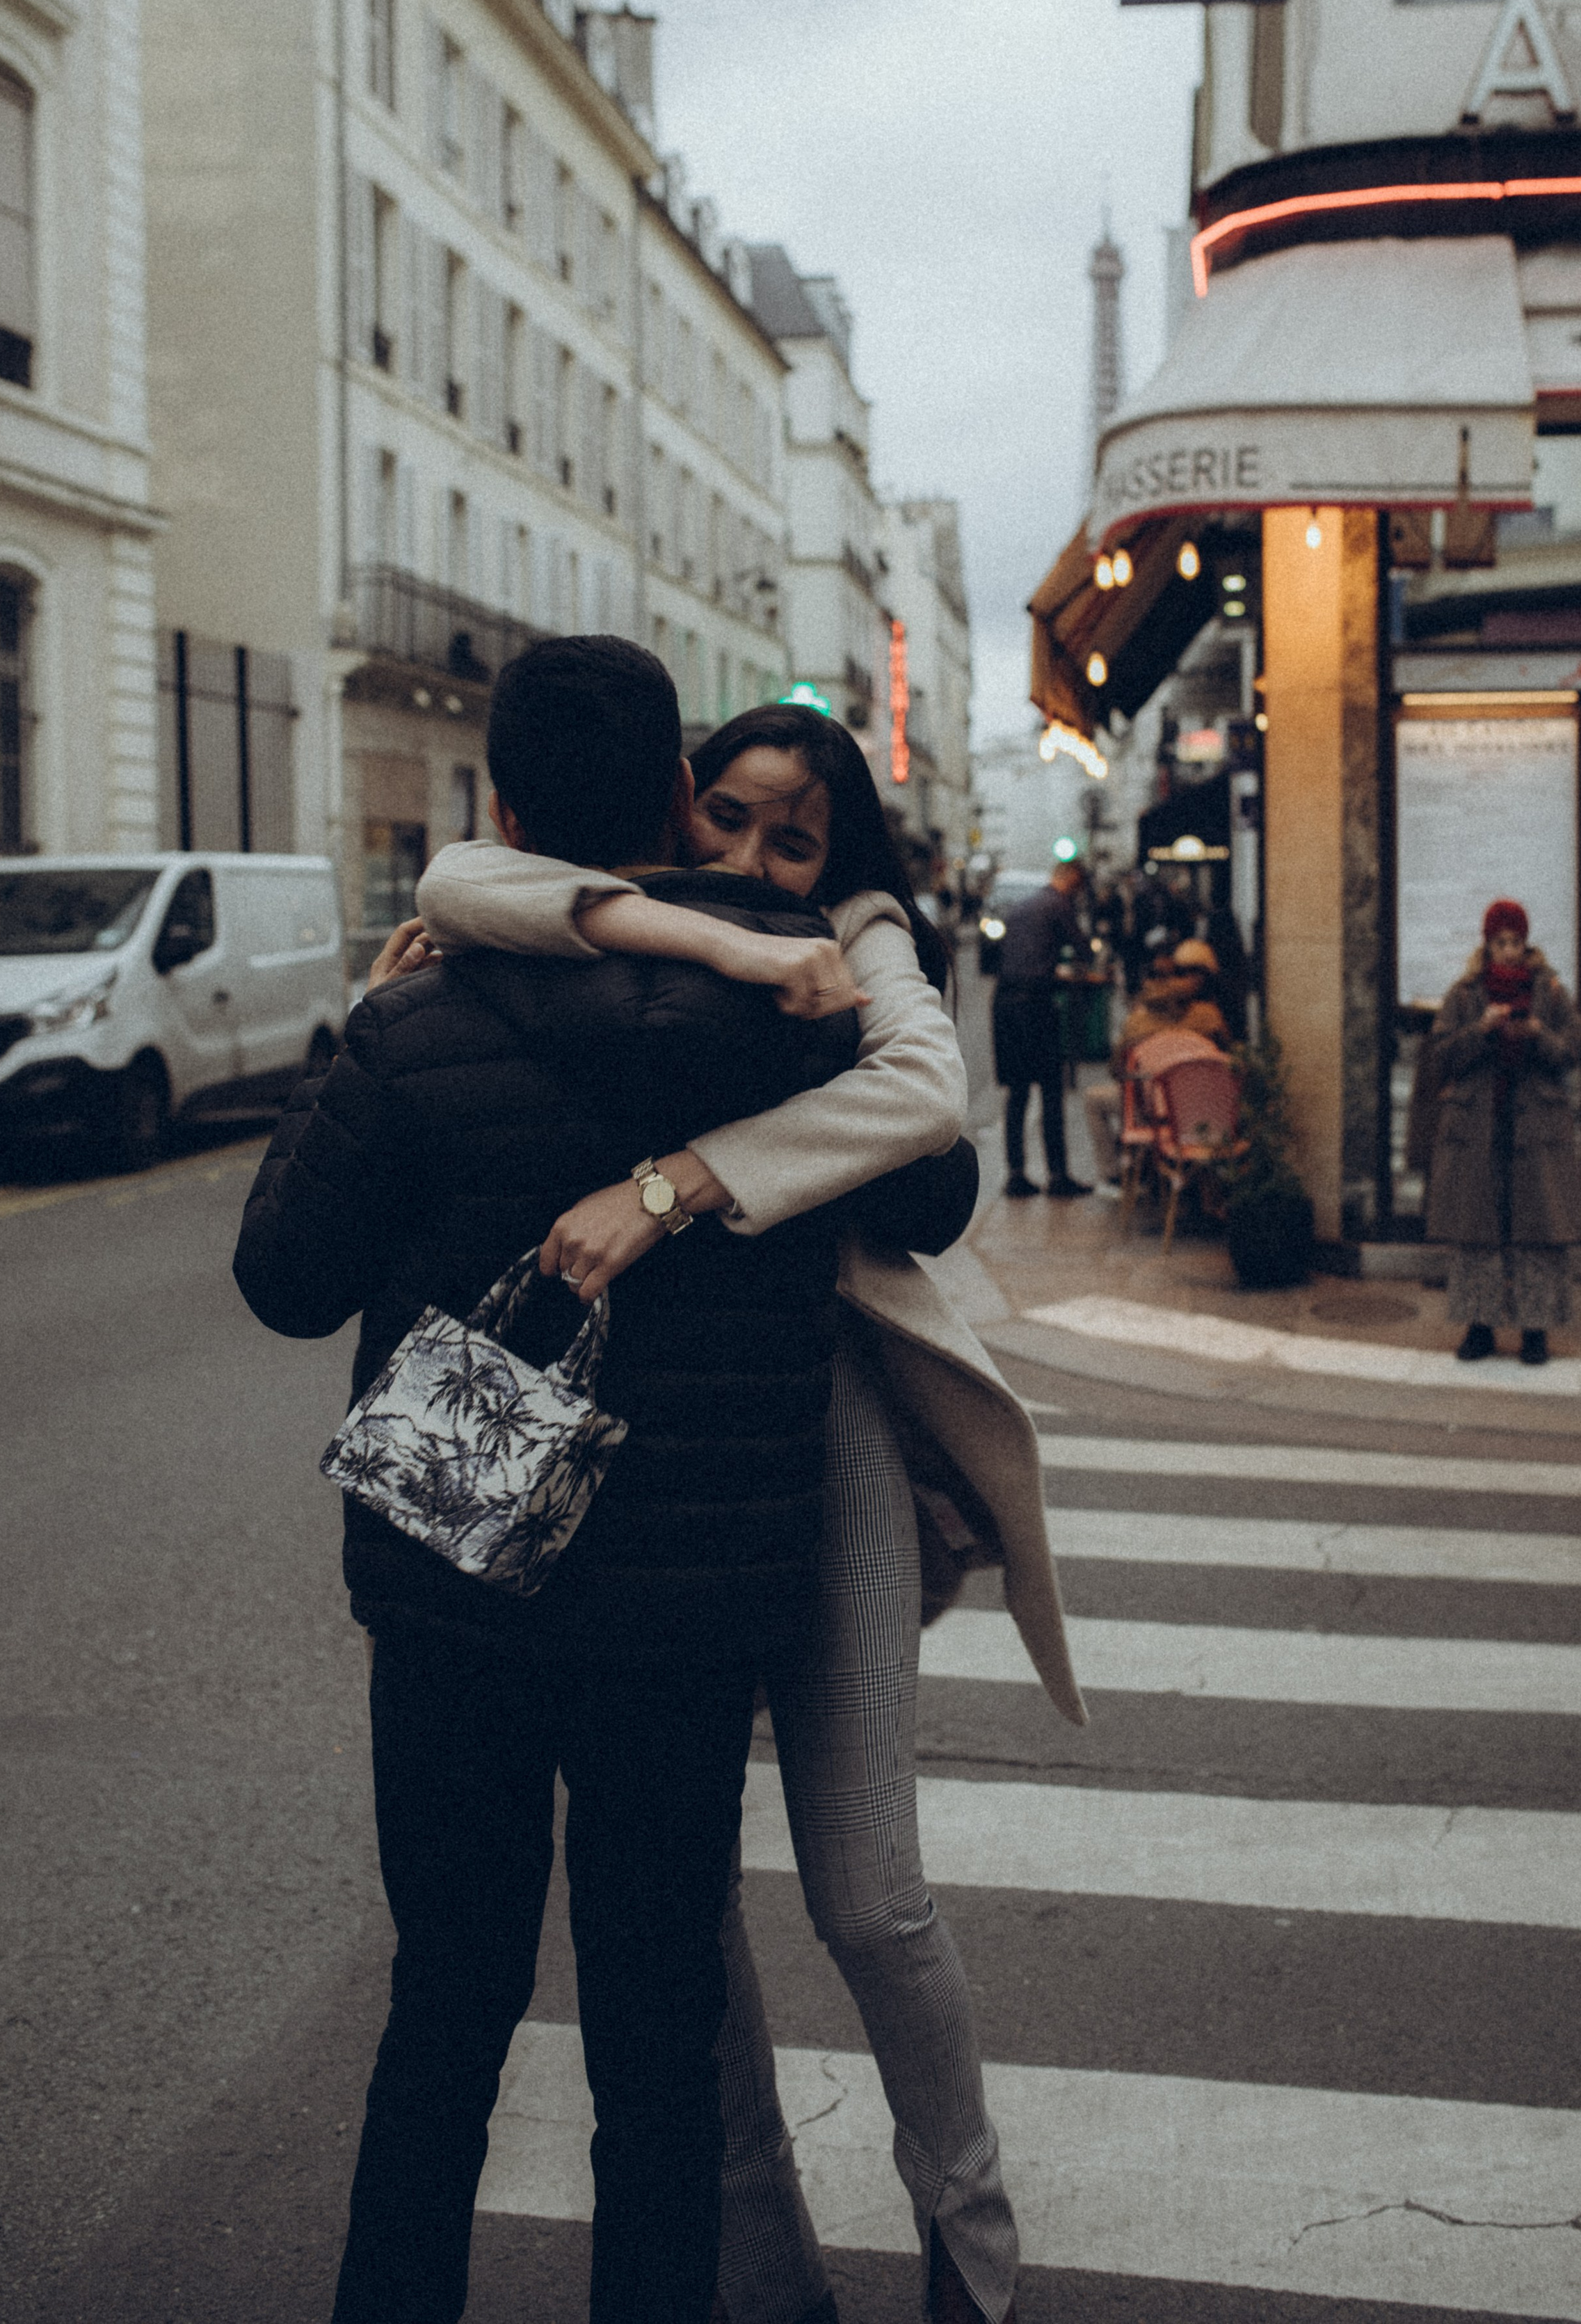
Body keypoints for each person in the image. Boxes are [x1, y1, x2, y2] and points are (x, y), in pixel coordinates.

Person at [412, 703, 1086, 2324]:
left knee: (866, 1889)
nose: (752, 858)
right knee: (675, 1915)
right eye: (725, 815)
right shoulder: (614, 914)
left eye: (794, 838)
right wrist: (672, 922)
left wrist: (674, 1183)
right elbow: (454, 879)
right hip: (635, 1441)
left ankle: (971, 2245)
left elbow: (923, 1097)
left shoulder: (848, 940)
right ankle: (762, 2268)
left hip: (822, 1413)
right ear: (673, 799)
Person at [232, 640, 874, 2324]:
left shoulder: (416, 1023)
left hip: (455, 1597)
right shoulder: (800, 1023)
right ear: (677, 797)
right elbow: (928, 1198)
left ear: (502, 812)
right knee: (657, 2038)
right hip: (688, 1616)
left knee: (445, 2006)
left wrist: (356, 1037)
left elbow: (287, 1279)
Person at [1419, 896, 1581, 1365]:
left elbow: (1573, 1050)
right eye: (1501, 942)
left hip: (1536, 1126)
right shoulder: (1465, 993)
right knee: (1478, 1229)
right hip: (1479, 1123)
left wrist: (1537, 1034)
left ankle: (1535, 1331)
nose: (1509, 951)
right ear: (1488, 945)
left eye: (1516, 942)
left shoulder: (1550, 991)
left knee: (1538, 1229)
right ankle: (1480, 1328)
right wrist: (1481, 1029)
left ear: (1526, 944)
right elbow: (1440, 1056)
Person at [1080, 942, 1233, 1189]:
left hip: (1150, 1111)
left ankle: (1114, 1176)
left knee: (1094, 1100)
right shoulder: (1209, 1016)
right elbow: (1228, 1059)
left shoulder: (1137, 1021)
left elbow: (1117, 1070)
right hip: (1202, 1110)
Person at [991, 858, 1091, 1200]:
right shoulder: (1059, 904)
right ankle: (1058, 1175)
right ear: (1072, 877)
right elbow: (1083, 950)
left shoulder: (1022, 906)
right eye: (1078, 885)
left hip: (1005, 1004)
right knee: (1051, 1089)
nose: (1078, 892)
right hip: (1035, 1005)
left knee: (1017, 1092)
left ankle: (1016, 1174)